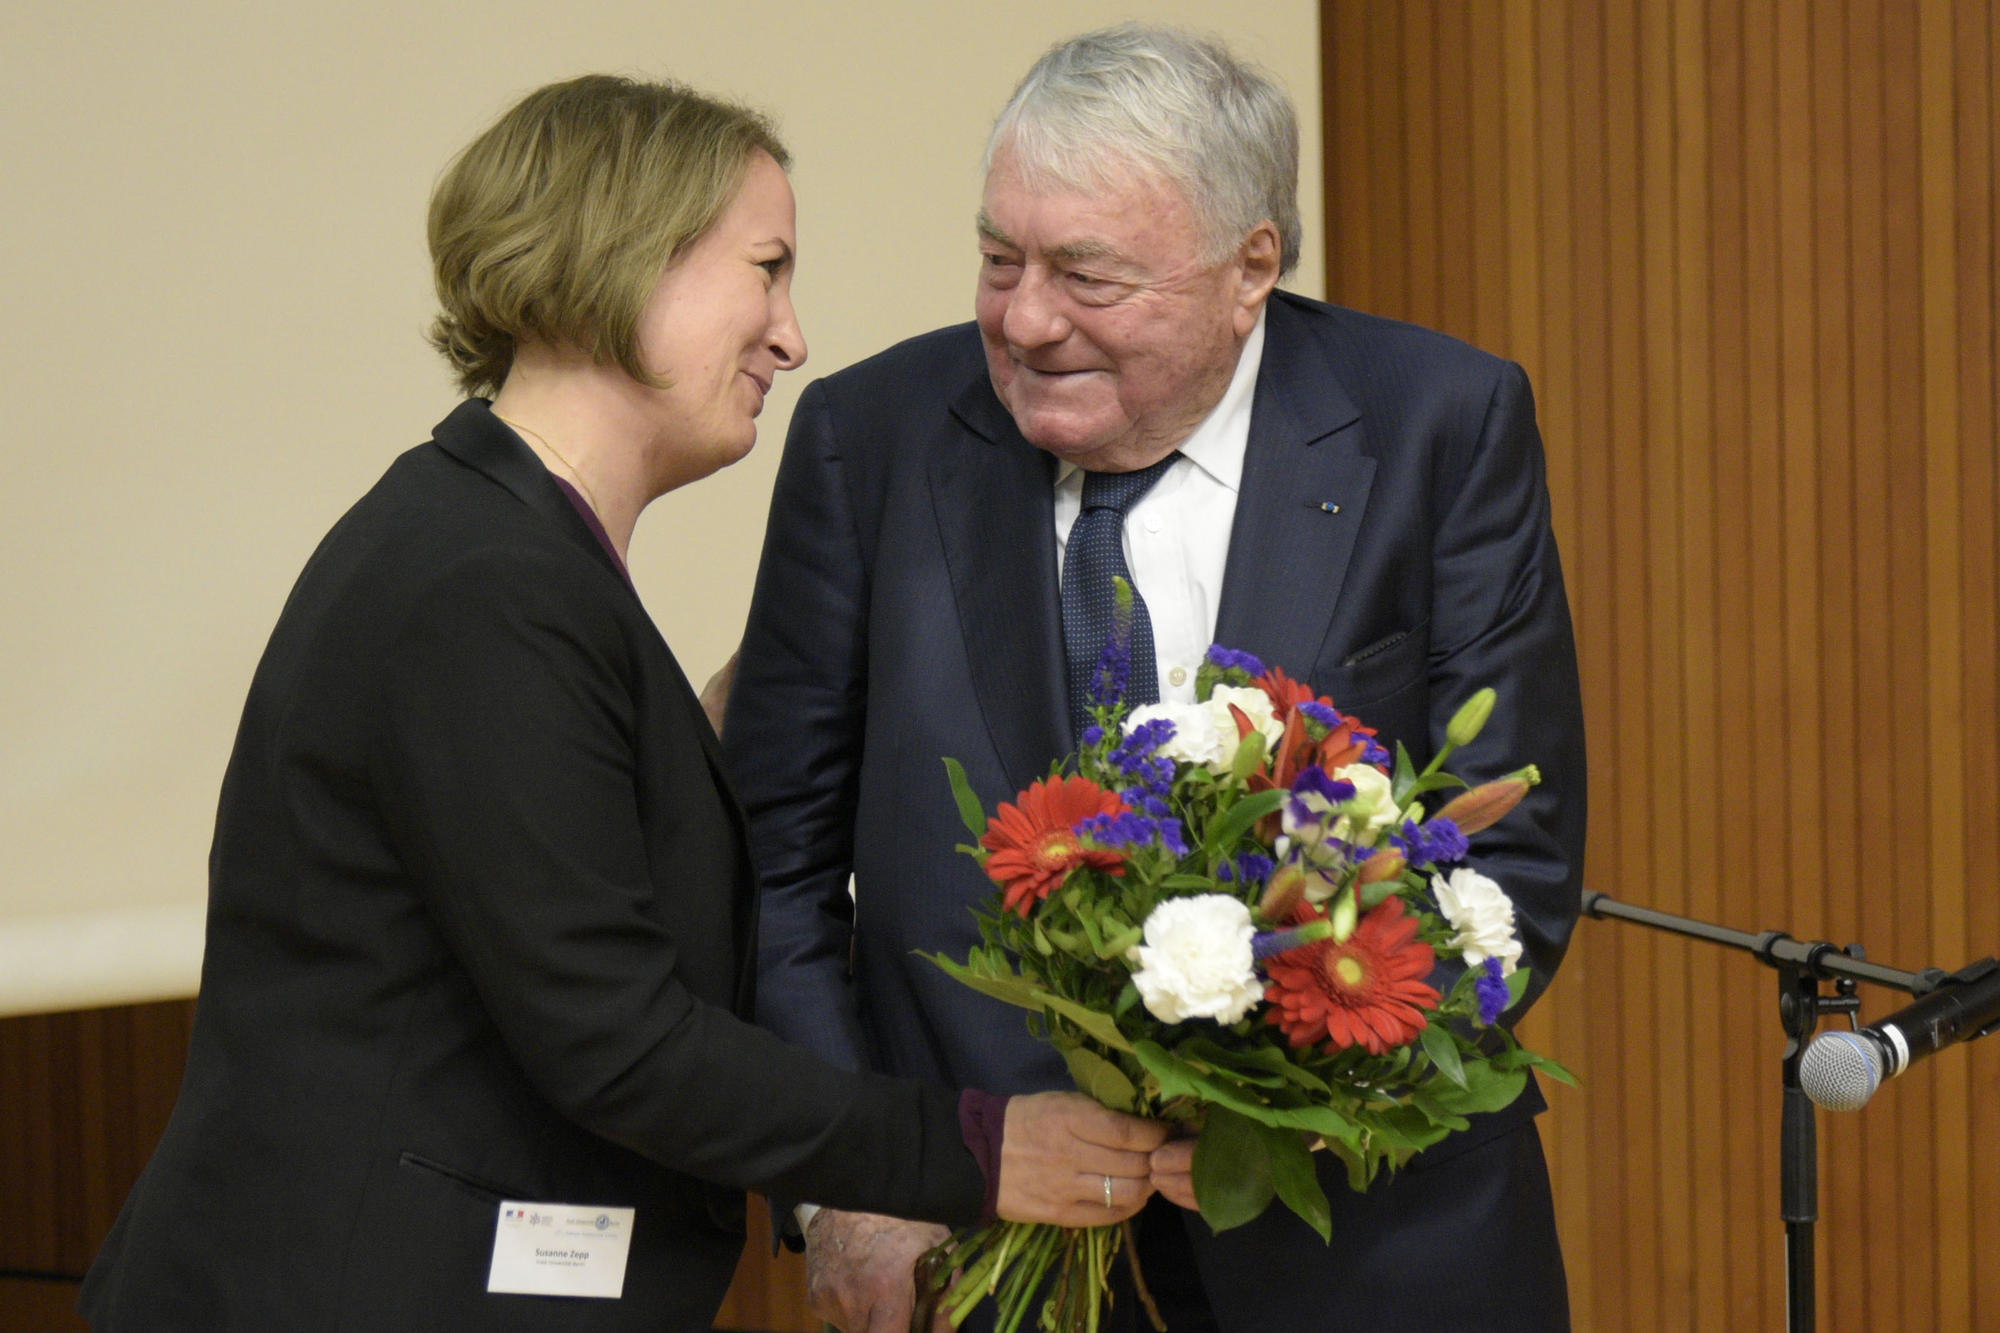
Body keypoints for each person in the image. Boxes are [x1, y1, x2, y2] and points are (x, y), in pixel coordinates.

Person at [77, 74, 1169, 1333]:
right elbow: (618, 1041)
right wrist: (976, 1147)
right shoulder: (484, 586)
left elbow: (571, 829)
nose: (789, 335)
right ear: (627, 258)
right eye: (763, 269)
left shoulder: (495, 548)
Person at [726, 24, 1588, 1333]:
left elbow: (1506, 863)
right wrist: (851, 1187)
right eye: (999, 258)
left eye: (1087, 274)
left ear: (1252, 266)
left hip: (1369, 1249)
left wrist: (1285, 1102)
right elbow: (772, 873)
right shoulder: (872, 440)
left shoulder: (1437, 426)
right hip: (979, 1246)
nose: (1024, 318)